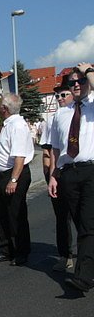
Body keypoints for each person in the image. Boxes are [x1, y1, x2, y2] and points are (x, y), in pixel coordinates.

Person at [48, 65, 94, 293]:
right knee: (80, 223)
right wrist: (53, 176)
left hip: (91, 171)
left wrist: (90, 72)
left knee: (87, 224)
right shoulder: (61, 114)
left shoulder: (93, 106)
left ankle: (84, 277)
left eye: (81, 81)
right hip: (68, 173)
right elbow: (56, 149)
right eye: (72, 83)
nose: (76, 85)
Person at [0, 93, 34, 266]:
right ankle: (6, 249)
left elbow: (19, 157)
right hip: (4, 174)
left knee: (16, 214)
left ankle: (22, 251)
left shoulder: (18, 126)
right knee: (3, 214)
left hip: (15, 173)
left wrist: (13, 180)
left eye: (0, 103)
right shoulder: (7, 125)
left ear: (4, 108)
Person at [41, 83, 75, 272]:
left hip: (78, 171)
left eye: (64, 94)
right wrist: (49, 175)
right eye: (58, 96)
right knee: (62, 217)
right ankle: (65, 255)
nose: (60, 98)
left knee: (82, 215)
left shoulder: (83, 114)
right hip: (58, 173)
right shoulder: (52, 120)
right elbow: (47, 150)